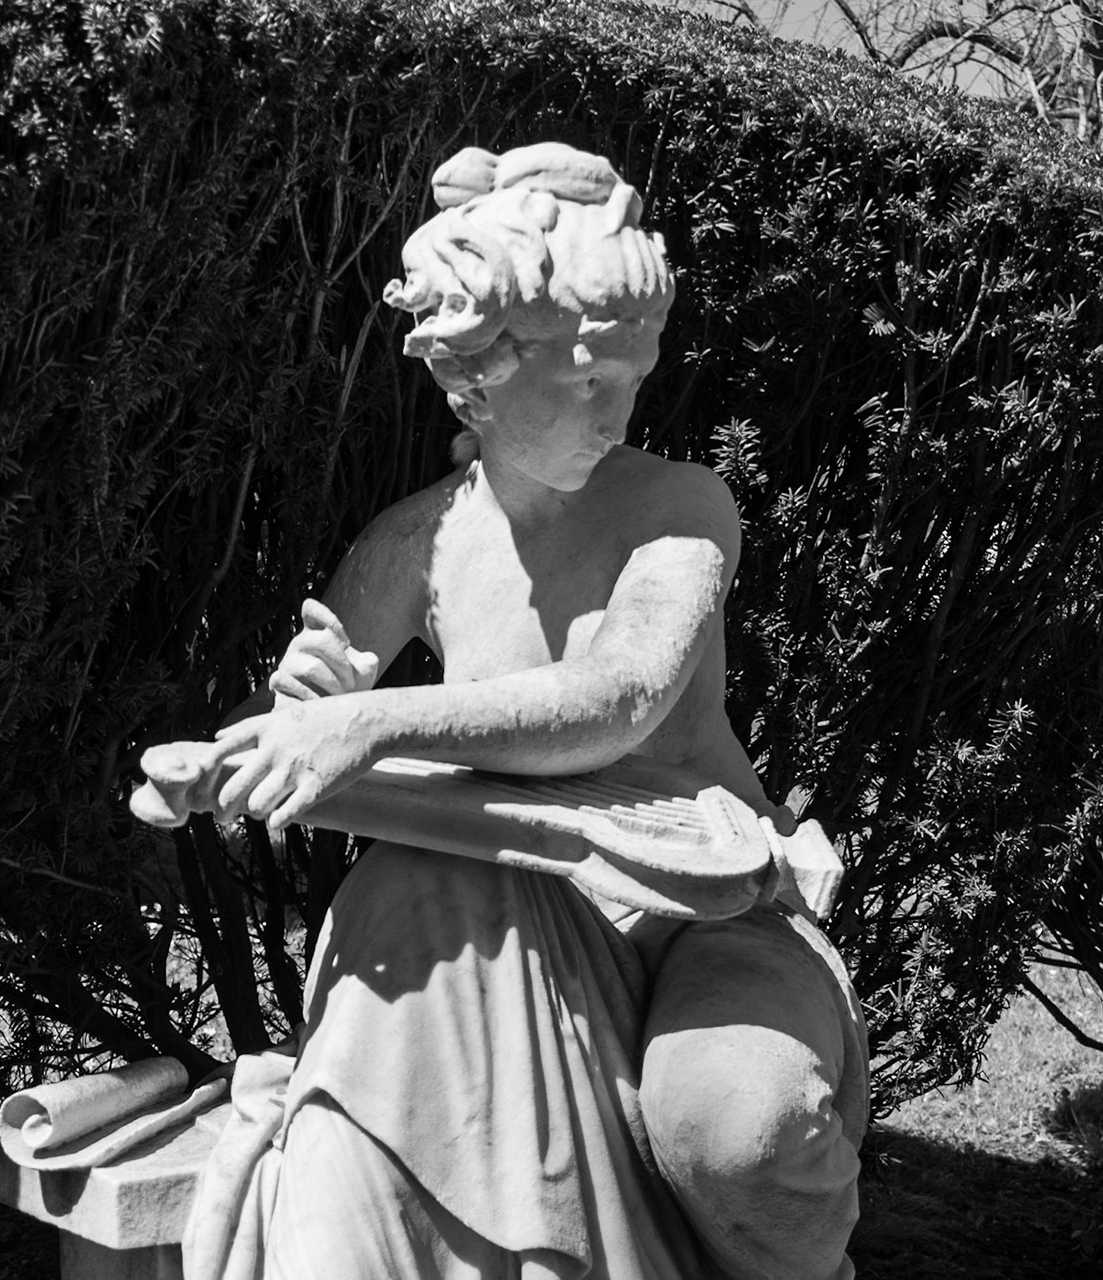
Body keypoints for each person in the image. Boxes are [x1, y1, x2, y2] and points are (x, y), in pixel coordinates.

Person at [184, 142, 866, 1280]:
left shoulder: (681, 507)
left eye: (633, 373)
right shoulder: (420, 539)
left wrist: (372, 723)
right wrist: (288, 709)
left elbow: (616, 698)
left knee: (731, 1127)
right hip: (498, 881)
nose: (619, 405)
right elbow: (284, 726)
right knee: (394, 933)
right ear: (477, 379)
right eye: (588, 378)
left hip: (702, 903)